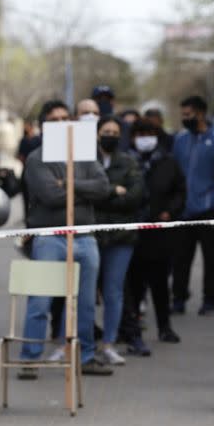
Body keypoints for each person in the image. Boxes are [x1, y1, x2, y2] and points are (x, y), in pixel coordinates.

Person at [17, 100, 112, 379]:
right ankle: (29, 358)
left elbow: (103, 187)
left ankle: (86, 356)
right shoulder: (36, 159)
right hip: (49, 238)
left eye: (64, 118)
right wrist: (80, 189)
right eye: (53, 119)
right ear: (44, 125)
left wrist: (69, 184)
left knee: (84, 303)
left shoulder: (85, 153)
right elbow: (50, 196)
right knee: (40, 302)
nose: (60, 124)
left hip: (84, 236)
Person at [121, 118, 186, 355]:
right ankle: (131, 330)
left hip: (160, 235)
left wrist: (170, 210)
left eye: (150, 133)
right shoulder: (127, 162)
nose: (145, 138)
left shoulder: (168, 163)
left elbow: (180, 190)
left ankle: (164, 327)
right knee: (133, 286)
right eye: (140, 133)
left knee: (160, 285)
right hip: (132, 234)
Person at [92, 116, 146, 365]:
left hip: (121, 238)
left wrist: (105, 196)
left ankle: (109, 343)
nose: (110, 135)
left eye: (115, 131)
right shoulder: (87, 161)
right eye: (106, 131)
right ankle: (82, 341)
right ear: (97, 133)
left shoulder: (128, 161)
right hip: (92, 235)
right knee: (84, 292)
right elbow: (86, 194)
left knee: (114, 292)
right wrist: (114, 190)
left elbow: (135, 196)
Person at [171, 95, 214, 315]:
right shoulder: (180, 139)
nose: (185, 118)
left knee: (209, 258)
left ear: (201, 113)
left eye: (188, 114)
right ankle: (178, 298)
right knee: (180, 258)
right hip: (183, 211)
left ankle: (209, 299)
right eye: (183, 114)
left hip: (207, 210)